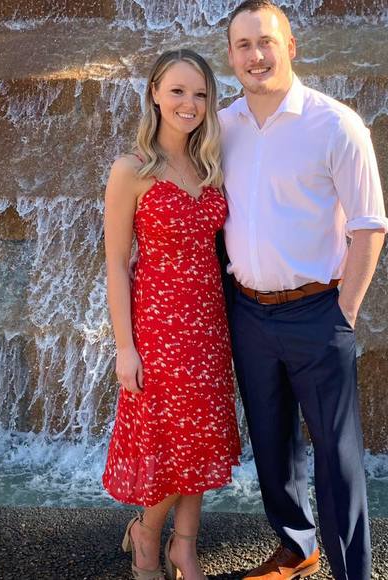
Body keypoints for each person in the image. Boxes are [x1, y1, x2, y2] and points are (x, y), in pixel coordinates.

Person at [220, 2, 388, 579]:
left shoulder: (336, 124)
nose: (256, 56)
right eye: (243, 45)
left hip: (319, 310)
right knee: (272, 444)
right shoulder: (221, 127)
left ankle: (350, 571)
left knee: (336, 456)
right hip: (248, 312)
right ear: (231, 57)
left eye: (266, 42)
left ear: (290, 47)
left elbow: (369, 226)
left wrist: (343, 312)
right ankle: (298, 547)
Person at [102, 49, 241, 580]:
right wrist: (125, 347)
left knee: (200, 437)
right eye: (178, 91)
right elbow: (117, 265)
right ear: (155, 93)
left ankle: (184, 548)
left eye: (200, 94)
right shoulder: (131, 170)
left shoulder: (210, 166)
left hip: (209, 326)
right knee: (168, 441)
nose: (190, 103)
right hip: (158, 329)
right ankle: (146, 537)